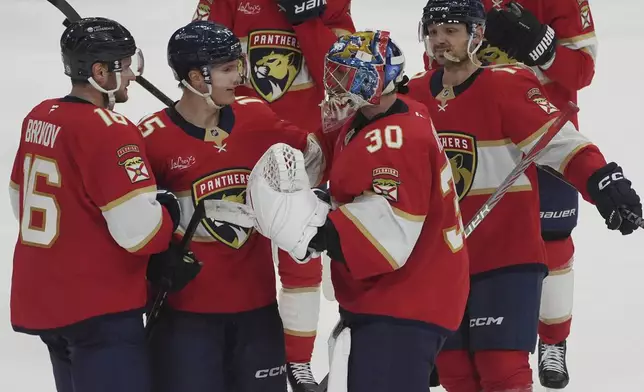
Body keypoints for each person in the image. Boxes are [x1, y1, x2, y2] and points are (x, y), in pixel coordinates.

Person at [408, 1, 640, 391]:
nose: (439, 41)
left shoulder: (507, 84)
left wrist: (601, 180)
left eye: (450, 31)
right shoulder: (413, 95)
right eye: (433, 32)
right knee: (456, 376)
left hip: (506, 253)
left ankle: (553, 339)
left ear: (476, 35)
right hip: (444, 259)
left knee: (502, 370)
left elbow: (563, 141)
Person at [224, 29, 471, 392]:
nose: (333, 84)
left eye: (346, 75)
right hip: (396, 303)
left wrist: (311, 229)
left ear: (375, 81)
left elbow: (387, 238)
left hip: (404, 306)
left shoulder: (395, 139)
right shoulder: (378, 118)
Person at [8, 17, 199, 392]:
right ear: (100, 71)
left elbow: (20, 199)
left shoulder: (39, 116)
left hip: (46, 301)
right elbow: (140, 235)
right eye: (125, 66)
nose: (131, 75)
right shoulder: (110, 130)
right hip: (99, 309)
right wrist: (168, 212)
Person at [140, 20, 327, 392]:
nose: (238, 77)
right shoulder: (150, 139)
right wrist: (150, 262)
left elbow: (312, 158)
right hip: (185, 319)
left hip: (257, 314)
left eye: (237, 66)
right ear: (196, 77)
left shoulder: (255, 115)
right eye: (227, 69)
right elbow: (130, 225)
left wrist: (299, 197)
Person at [190, 2, 355, 388]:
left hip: (304, 152)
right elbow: (198, 60)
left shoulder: (332, 5)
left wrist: (308, 21)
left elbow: (343, 78)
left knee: (301, 255)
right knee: (233, 248)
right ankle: (221, 343)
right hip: (235, 142)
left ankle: (297, 362)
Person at [482, 1, 598, 387]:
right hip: (481, 135)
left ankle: (553, 340)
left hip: (549, 134)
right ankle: (449, 335)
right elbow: (436, 65)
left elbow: (582, 72)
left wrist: (543, 48)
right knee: (467, 241)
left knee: (554, 242)